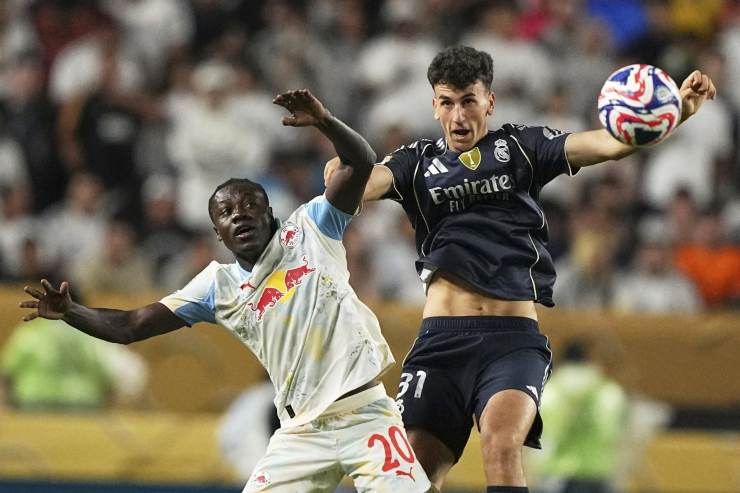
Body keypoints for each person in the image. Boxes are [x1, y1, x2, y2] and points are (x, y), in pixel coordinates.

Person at [326, 45, 716, 492]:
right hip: (440, 342)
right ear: (434, 105)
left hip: (511, 341)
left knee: (501, 444)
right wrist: (344, 171)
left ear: (489, 101)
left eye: (469, 101)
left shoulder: (522, 148)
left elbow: (608, 144)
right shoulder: (415, 163)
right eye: (447, 102)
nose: (459, 116)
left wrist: (677, 111)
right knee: (412, 475)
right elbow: (357, 187)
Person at [19, 89, 431, 493]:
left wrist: (325, 122)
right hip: (301, 433)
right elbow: (130, 325)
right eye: (226, 212)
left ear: (270, 214)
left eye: (249, 205)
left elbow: (360, 162)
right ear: (218, 233)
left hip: (365, 415)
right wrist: (71, 311)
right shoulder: (217, 286)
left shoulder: (313, 228)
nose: (239, 215)